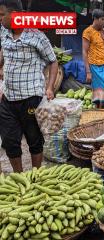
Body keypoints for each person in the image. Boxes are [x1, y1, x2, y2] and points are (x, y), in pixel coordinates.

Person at [0, 0, 58, 172]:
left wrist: (49, 88)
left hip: (31, 98)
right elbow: (4, 54)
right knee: (10, 140)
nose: (0, 19)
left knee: (34, 138)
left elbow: (53, 62)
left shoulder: (36, 36)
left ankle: (35, 175)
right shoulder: (3, 32)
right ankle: (19, 177)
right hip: (8, 97)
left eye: (2, 15)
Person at [82, 9, 104, 108]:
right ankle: (100, 113)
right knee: (99, 94)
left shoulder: (103, 32)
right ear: (95, 19)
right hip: (94, 67)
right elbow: (84, 51)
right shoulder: (87, 32)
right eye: (102, 19)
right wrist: (88, 72)